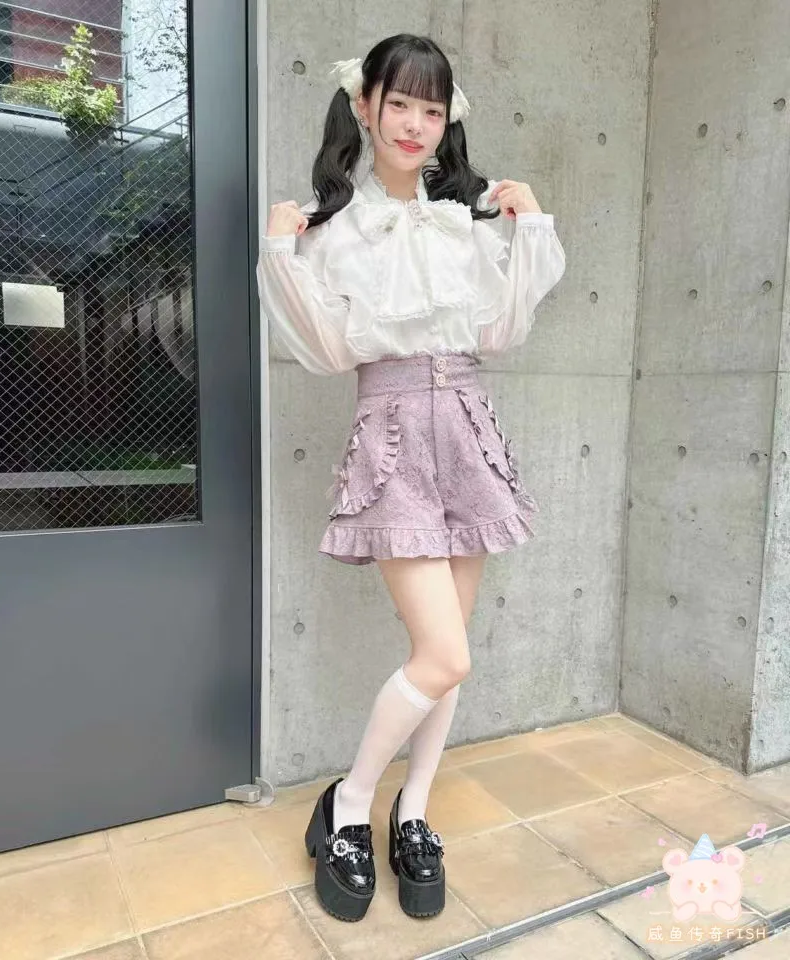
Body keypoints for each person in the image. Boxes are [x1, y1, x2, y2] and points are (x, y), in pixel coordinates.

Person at [256, 33, 566, 923]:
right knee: (445, 655)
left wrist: (528, 225)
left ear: (445, 120)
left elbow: (501, 331)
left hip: (466, 426)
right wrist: (281, 251)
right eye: (399, 103)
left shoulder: (466, 223)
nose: (415, 124)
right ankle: (350, 804)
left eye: (432, 109)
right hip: (392, 434)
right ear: (365, 107)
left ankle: (414, 808)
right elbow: (325, 350)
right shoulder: (333, 232)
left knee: (447, 654)